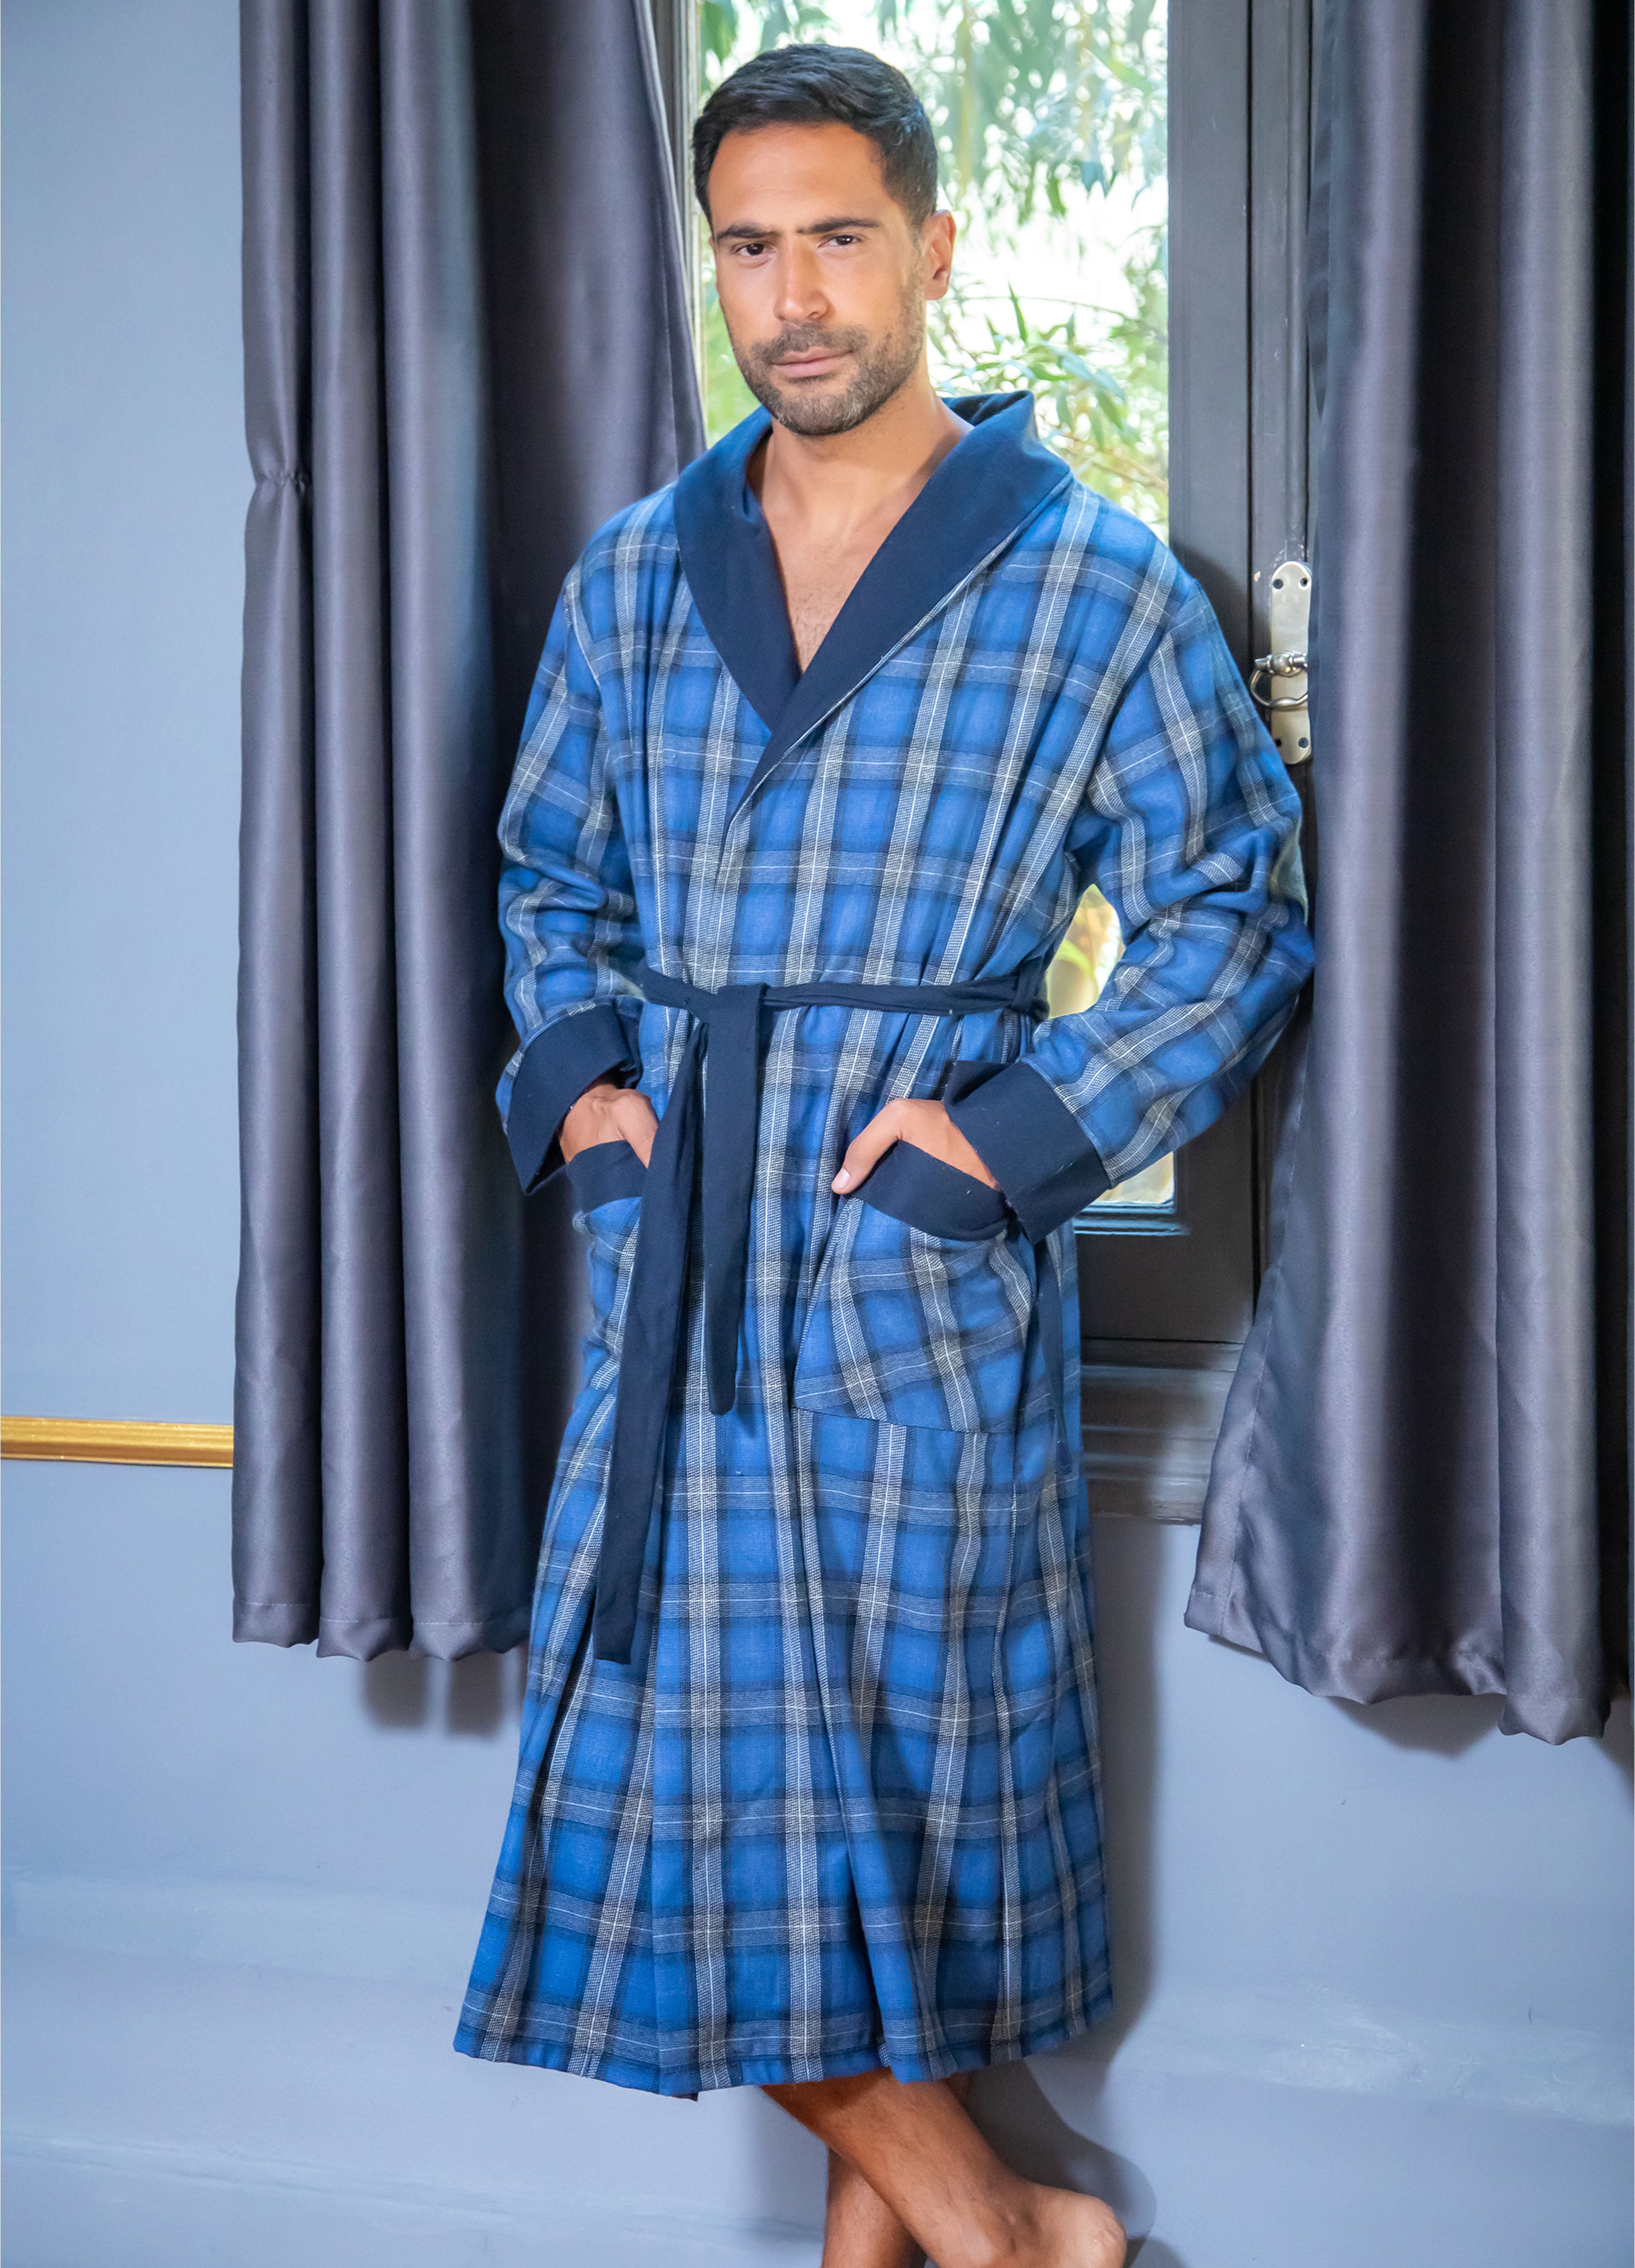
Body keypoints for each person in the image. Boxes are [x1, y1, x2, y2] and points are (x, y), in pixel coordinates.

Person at [455, 42, 1312, 2268]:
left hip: (909, 1275)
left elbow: (1234, 917)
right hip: (676, 1273)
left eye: (840, 237)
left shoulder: (1092, 584)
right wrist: (599, 1112)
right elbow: (550, 883)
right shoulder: (639, 577)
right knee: (689, 1826)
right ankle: (1020, 2231)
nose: (795, 295)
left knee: (889, 1828)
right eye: (750, 247)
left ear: (934, 248)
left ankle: (959, 2241)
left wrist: (1003, 1145)